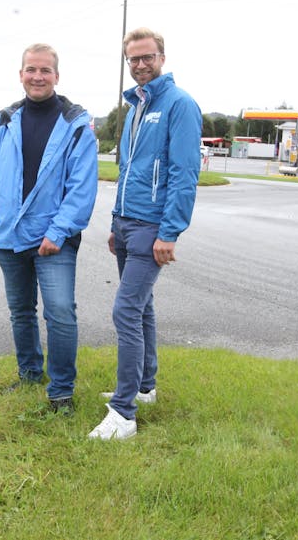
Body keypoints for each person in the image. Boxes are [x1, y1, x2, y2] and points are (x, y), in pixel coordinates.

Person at [88, 27, 202, 439]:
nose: (139, 65)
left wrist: (169, 232)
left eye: (146, 57)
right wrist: (116, 222)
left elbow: (184, 174)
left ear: (162, 58)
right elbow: (127, 171)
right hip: (127, 223)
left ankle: (123, 414)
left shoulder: (179, 105)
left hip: (153, 226)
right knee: (143, 307)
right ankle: (144, 386)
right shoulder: (135, 108)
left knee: (125, 310)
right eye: (133, 59)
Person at [0, 43, 99, 414]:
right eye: (31, 69)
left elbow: (82, 188)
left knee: (60, 312)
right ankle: (30, 372)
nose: (38, 76)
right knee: (21, 311)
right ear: (21, 74)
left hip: (53, 241)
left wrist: (57, 233)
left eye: (45, 70)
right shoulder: (4, 121)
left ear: (57, 76)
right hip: (10, 236)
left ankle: (61, 390)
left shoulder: (76, 124)